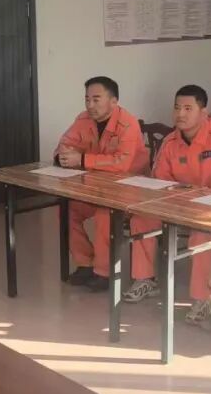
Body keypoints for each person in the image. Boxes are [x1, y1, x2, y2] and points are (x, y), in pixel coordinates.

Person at [122, 86, 211, 328]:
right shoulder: (170, 141)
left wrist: (187, 197)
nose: (180, 114)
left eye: (188, 108)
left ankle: (203, 299)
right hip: (177, 205)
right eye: (177, 108)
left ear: (204, 111)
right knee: (142, 218)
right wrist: (178, 199)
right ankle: (145, 279)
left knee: (201, 235)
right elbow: (159, 182)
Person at [54, 77, 148, 291]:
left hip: (130, 191)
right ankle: (85, 262)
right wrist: (63, 156)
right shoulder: (83, 119)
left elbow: (122, 163)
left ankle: (104, 272)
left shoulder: (128, 123)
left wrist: (82, 159)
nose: (90, 105)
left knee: (105, 214)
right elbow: (65, 144)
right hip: (96, 187)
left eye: (96, 99)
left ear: (113, 101)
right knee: (66, 210)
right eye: (87, 99)